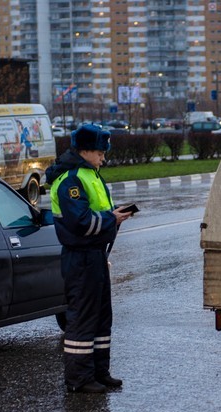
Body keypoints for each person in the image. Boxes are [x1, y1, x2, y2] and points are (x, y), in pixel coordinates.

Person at [46, 123, 133, 393]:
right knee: (83, 319)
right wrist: (112, 218)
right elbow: (80, 222)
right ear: (85, 151)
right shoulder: (71, 180)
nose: (103, 158)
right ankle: (79, 379)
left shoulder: (90, 174)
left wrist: (113, 217)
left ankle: (99, 372)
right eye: (99, 153)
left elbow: (97, 214)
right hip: (80, 257)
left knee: (100, 317)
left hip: (94, 256)